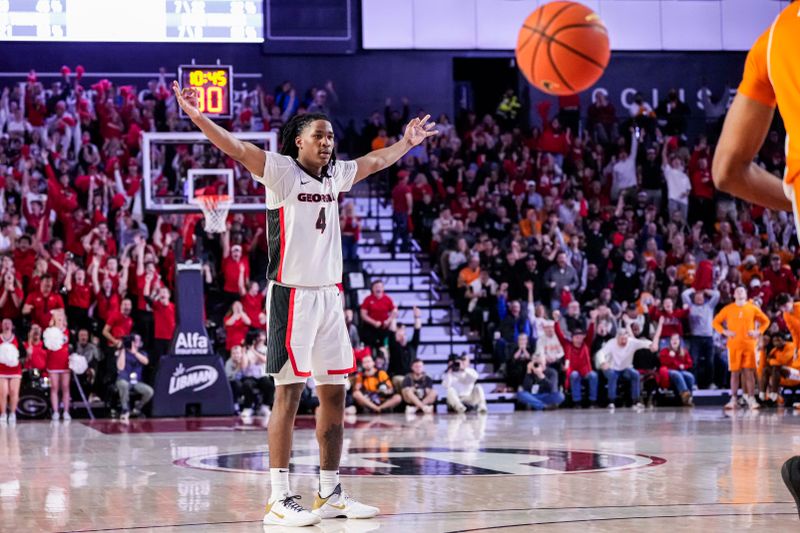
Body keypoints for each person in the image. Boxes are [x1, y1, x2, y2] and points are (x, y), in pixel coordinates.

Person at [173, 80, 436, 526]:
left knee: (334, 394)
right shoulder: (278, 170)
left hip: (330, 296)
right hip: (290, 296)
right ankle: (278, 498)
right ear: (299, 141)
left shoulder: (336, 175)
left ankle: (330, 492)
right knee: (288, 394)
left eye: (331, 137)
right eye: (320, 136)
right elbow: (236, 148)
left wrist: (406, 143)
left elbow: (373, 162)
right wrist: (199, 117)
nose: (327, 142)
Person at [712, 286, 770, 410]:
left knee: (749, 373)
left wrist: (758, 332)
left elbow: (766, 321)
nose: (739, 292)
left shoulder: (752, 308)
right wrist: (725, 331)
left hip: (749, 345)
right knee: (734, 373)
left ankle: (751, 399)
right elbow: (715, 322)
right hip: (734, 345)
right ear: (734, 295)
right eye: (737, 291)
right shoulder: (728, 309)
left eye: (742, 290)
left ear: (746, 293)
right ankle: (733, 399)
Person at [595, 318, 664, 410]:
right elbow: (600, 353)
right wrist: (603, 362)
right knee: (612, 376)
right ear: (617, 338)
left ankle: (636, 401)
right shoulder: (611, 343)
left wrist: (652, 345)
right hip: (612, 368)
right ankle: (612, 401)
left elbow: (644, 343)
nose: (624, 341)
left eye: (625, 338)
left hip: (625, 368)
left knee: (635, 374)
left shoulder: (631, 342)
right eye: (622, 339)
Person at [115, 334, 154, 422]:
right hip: (123, 379)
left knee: (149, 391)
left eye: (137, 341)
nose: (136, 342)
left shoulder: (142, 353)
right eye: (134, 340)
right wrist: (123, 349)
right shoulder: (122, 352)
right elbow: (120, 367)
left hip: (136, 382)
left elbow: (146, 362)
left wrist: (135, 352)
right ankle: (125, 409)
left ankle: (138, 408)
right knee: (123, 384)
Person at [386, 306, 421, 391]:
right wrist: (394, 317)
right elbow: (392, 332)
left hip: (411, 376)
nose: (402, 334)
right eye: (400, 332)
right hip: (397, 376)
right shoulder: (394, 346)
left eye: (404, 332)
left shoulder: (412, 346)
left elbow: (417, 330)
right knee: (405, 382)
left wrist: (417, 317)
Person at [45, 310, 71, 421]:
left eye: (62, 317)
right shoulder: (49, 331)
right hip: (53, 362)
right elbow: (46, 346)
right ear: (54, 319)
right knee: (54, 387)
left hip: (65, 363)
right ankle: (55, 412)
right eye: (58, 317)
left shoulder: (68, 332)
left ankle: (66, 411)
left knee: (65, 387)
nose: (60, 319)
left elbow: (71, 347)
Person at [659, 333, 695, 406]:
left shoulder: (683, 351)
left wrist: (684, 366)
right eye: (673, 339)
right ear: (670, 341)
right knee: (677, 374)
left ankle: (689, 397)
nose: (674, 341)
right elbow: (663, 362)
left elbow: (689, 363)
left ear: (679, 341)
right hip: (669, 371)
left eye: (676, 339)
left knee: (690, 376)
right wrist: (670, 357)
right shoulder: (665, 351)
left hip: (680, 370)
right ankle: (685, 396)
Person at [0, 319, 21, 424]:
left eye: (8, 323)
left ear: (12, 326)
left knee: (14, 391)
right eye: (4, 323)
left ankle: (13, 413)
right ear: (1, 326)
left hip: (15, 369)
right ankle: (3, 414)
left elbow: (23, 353)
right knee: (3, 392)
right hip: (1, 369)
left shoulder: (17, 338)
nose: (7, 325)